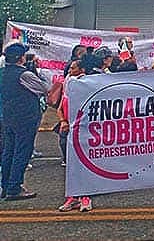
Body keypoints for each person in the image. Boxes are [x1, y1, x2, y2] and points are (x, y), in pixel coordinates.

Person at [1, 43, 49, 200]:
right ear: (20, 58)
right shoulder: (24, 75)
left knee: (9, 152)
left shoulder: (2, 72)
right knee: (22, 152)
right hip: (25, 117)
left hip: (8, 116)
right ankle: (15, 187)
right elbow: (43, 88)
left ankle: (6, 185)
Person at [57, 52, 97, 212]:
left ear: (81, 70)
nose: (69, 70)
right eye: (69, 68)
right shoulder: (68, 83)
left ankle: (86, 197)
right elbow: (60, 107)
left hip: (83, 129)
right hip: (69, 129)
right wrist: (63, 121)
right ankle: (73, 198)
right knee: (71, 166)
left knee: (84, 164)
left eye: (72, 68)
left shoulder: (87, 84)